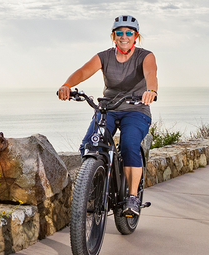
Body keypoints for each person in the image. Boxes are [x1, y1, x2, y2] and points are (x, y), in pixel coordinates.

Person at [57, 14, 158, 216]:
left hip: (136, 109)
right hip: (109, 108)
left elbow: (151, 74)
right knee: (89, 144)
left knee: (129, 145)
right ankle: (97, 184)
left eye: (129, 33)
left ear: (135, 36)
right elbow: (83, 71)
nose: (124, 36)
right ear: (113, 36)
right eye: (119, 33)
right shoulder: (104, 56)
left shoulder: (145, 56)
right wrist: (68, 84)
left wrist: (151, 91)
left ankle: (132, 197)